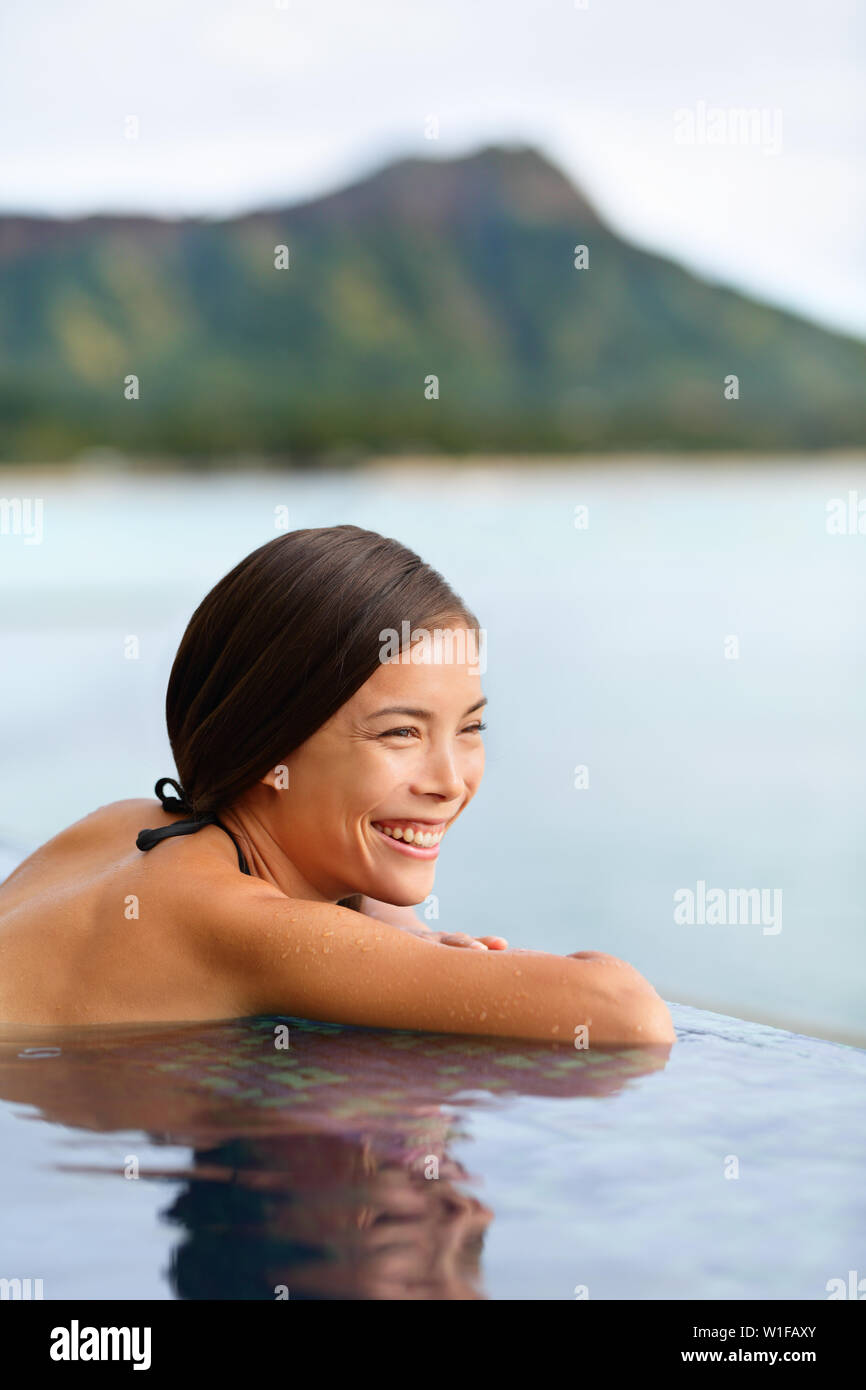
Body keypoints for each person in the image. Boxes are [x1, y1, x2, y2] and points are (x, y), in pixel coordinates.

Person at [0, 525, 674, 1045]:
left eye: (469, 729)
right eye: (400, 734)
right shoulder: (243, 927)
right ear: (269, 746)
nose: (448, 781)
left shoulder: (129, 824)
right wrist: (407, 952)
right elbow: (626, 1016)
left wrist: (396, 929)